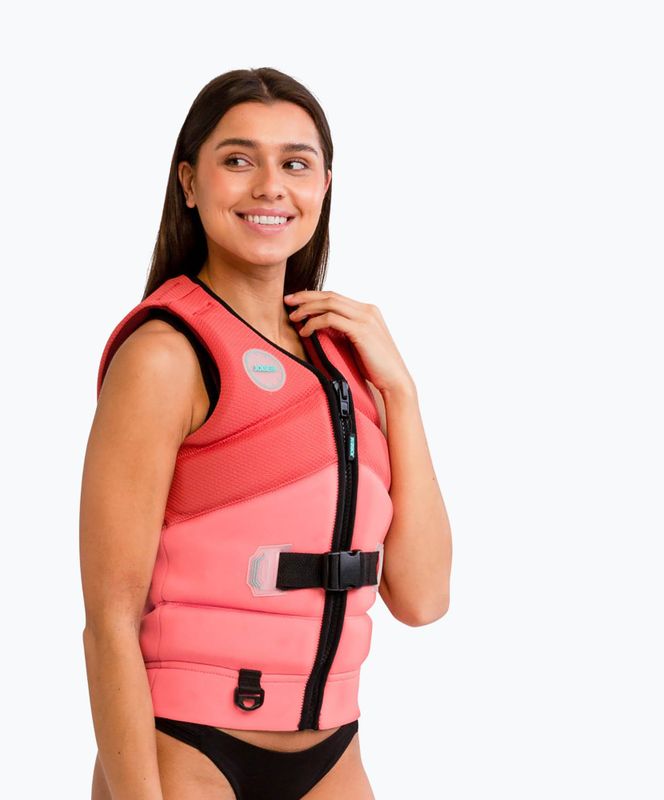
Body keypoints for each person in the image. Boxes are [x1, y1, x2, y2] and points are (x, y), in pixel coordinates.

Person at [80, 67, 452, 800]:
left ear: (325, 186)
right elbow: (109, 621)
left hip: (334, 756)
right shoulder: (165, 356)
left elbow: (423, 597)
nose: (270, 187)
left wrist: (402, 394)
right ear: (190, 182)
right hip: (189, 753)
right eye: (238, 159)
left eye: (296, 163)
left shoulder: (348, 360)